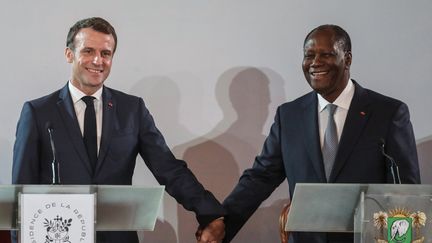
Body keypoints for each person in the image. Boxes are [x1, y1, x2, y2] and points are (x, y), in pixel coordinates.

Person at [198, 24, 421, 242]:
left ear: (348, 59)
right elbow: (261, 177)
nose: (315, 63)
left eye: (326, 54)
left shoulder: (387, 112)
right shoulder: (290, 116)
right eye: (309, 55)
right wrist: (221, 225)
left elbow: (406, 190)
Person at [12, 17, 225, 243]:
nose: (97, 60)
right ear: (69, 54)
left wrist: (211, 214)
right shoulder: (38, 112)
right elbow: (21, 193)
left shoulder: (132, 110)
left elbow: (169, 169)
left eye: (106, 53)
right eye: (88, 51)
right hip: (58, 235)